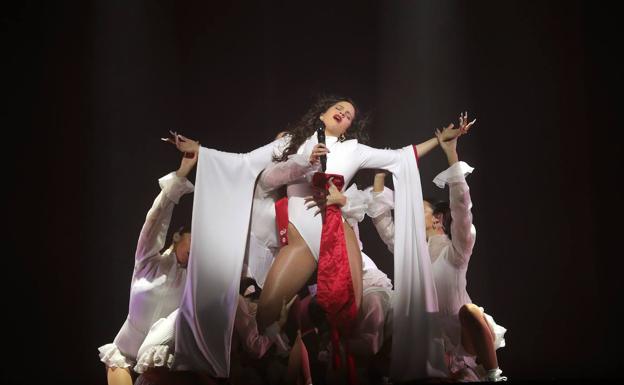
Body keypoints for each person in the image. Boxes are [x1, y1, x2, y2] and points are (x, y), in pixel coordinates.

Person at [165, 96, 467, 382]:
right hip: (303, 237)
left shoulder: (354, 150)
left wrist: (440, 142)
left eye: (350, 115)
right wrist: (200, 151)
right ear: (322, 114)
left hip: (337, 231)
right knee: (267, 309)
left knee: (350, 318)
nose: (344, 114)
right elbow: (244, 164)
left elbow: (401, 156)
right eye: (339, 108)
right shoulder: (290, 142)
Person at [368, 113, 508, 382]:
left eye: (419, 210)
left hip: (462, 334)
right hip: (429, 341)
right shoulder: (413, 253)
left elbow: (462, 210)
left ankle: (494, 374)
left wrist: (451, 154)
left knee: (470, 311)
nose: (410, 215)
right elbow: (383, 224)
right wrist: (379, 175)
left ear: (437, 218)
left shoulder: (455, 251)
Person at [98, 152, 197, 385]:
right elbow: (156, 219)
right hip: (123, 354)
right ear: (177, 236)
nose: (197, 249)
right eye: (194, 240)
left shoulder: (194, 282)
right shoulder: (148, 262)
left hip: (158, 363)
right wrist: (182, 173)